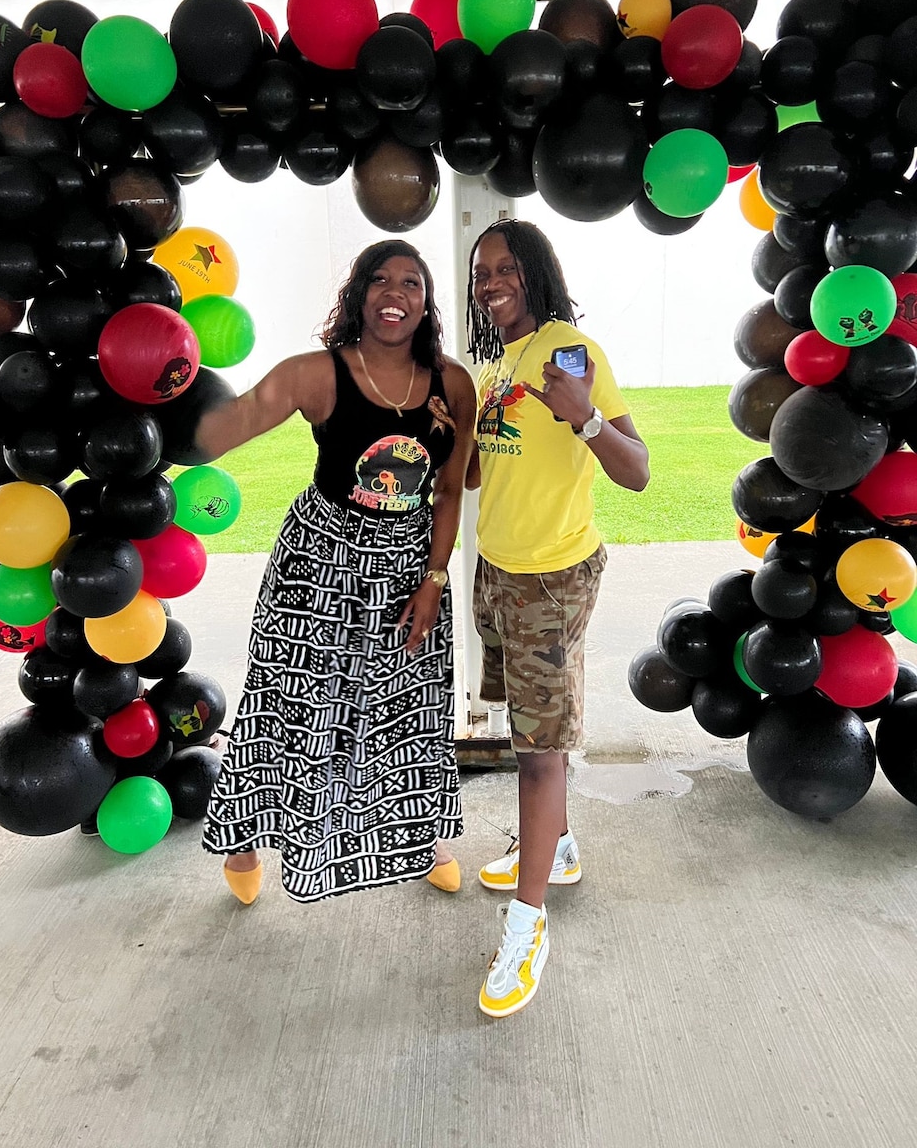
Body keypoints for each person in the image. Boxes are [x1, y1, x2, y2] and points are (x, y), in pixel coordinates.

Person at [198, 239, 476, 906]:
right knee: (287, 703)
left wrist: (435, 580)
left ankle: (419, 833)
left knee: (404, 705)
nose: (395, 293)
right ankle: (243, 834)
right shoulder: (314, 374)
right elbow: (216, 433)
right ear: (358, 295)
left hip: (406, 565)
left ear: (426, 303)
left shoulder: (453, 383)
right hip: (319, 559)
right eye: (379, 280)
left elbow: (452, 489)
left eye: (411, 283)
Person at [465, 219, 649, 1018]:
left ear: (536, 273)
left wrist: (585, 417)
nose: (492, 281)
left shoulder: (570, 351)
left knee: (539, 754)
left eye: (506, 268)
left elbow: (637, 472)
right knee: (526, 731)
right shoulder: (495, 363)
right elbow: (483, 466)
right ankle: (560, 849)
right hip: (501, 570)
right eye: (482, 272)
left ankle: (528, 923)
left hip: (550, 578)